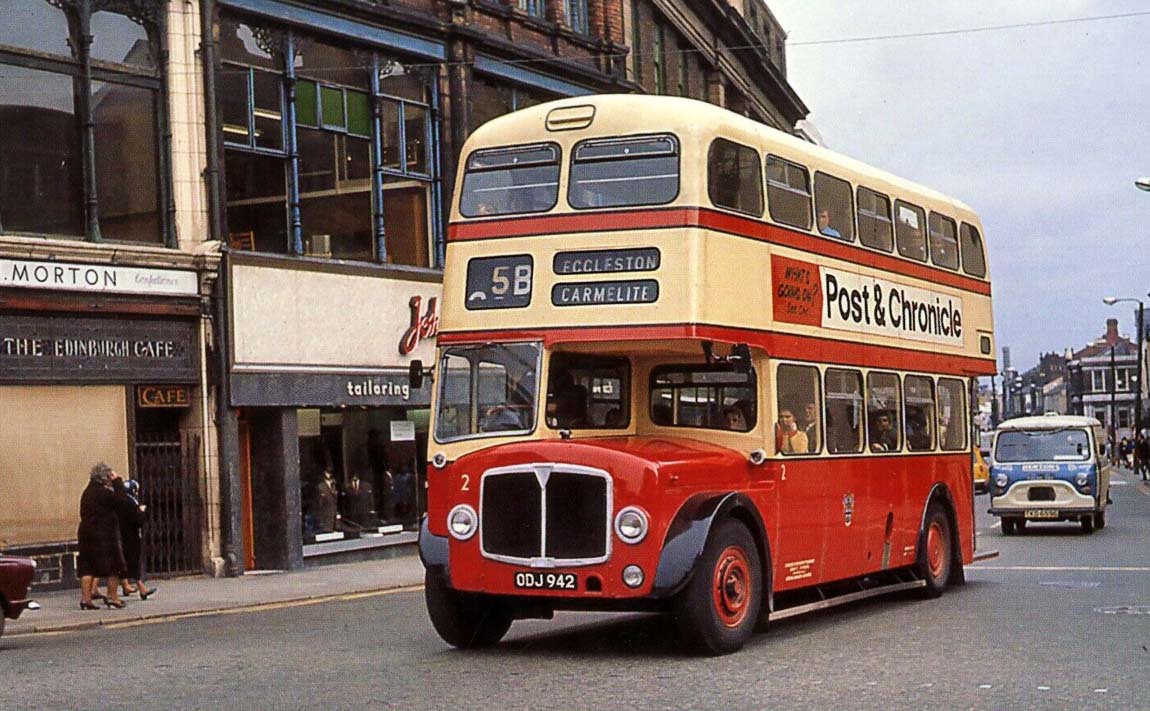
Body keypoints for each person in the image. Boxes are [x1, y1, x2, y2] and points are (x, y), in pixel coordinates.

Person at [77, 463, 128, 610]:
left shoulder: (87, 492)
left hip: (86, 532)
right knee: (115, 567)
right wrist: (118, 482)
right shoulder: (103, 493)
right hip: (104, 533)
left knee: (88, 566)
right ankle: (113, 597)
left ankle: (86, 599)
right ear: (105, 477)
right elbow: (122, 501)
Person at [114, 479, 156, 600]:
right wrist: (141, 511)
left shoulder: (123, 500)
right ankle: (141, 588)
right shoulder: (130, 502)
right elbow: (137, 520)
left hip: (124, 535)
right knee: (132, 561)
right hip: (130, 535)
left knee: (125, 563)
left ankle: (126, 586)